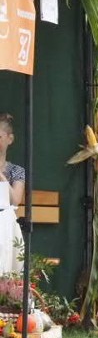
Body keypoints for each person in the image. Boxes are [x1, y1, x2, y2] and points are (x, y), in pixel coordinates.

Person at [0, 113, 24, 275]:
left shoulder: (16, 170)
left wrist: (1, 176)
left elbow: (15, 199)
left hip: (5, 226)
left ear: (10, 138)